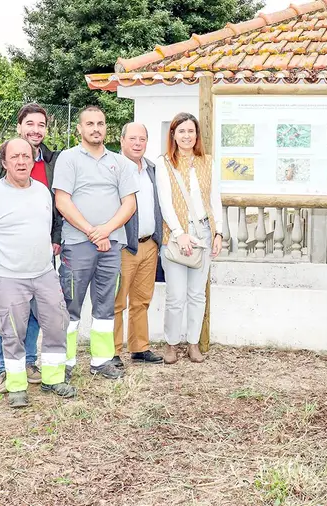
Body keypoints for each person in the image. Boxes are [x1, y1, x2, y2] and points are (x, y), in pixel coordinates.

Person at [0, 138, 77, 407]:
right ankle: (16, 385)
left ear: (33, 161)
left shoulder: (42, 191)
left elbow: (45, 227)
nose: (21, 161)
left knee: (56, 323)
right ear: (4, 162)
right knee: (12, 332)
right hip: (9, 277)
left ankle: (54, 379)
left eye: (26, 157)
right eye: (15, 157)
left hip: (44, 274)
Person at [52, 106, 138, 380]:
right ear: (79, 128)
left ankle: (101, 362)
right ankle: (64, 363)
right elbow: (62, 201)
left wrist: (106, 231)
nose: (96, 128)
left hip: (111, 245)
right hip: (78, 244)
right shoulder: (68, 159)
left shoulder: (119, 162)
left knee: (105, 304)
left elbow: (129, 204)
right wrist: (91, 231)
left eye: (100, 123)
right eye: (89, 123)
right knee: (70, 305)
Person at [155, 112, 223, 364]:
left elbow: (214, 199)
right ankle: (172, 344)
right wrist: (179, 233)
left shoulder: (207, 162)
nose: (186, 135)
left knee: (197, 294)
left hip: (203, 233)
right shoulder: (164, 163)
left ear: (196, 135)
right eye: (181, 131)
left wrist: (219, 232)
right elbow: (165, 202)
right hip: (176, 237)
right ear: (173, 134)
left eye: (190, 131)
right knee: (176, 295)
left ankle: (193, 344)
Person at [113, 123, 164, 367]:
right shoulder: (113, 168)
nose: (137, 143)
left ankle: (139, 347)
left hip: (149, 244)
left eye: (141, 139)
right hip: (124, 245)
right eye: (132, 138)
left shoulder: (152, 169)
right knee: (117, 302)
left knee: (142, 300)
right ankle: (111, 352)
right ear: (122, 140)